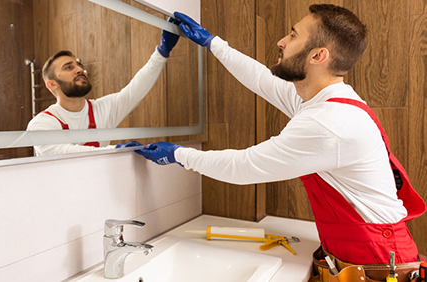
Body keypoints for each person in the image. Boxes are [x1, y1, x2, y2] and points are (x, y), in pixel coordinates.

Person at [134, 4, 427, 280]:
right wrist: (213, 43)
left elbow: (244, 167)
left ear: (317, 56)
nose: (282, 41)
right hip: (362, 256)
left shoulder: (328, 122)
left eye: (293, 35)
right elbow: (263, 80)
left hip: (377, 263)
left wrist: (179, 155)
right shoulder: (327, 100)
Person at [26, 18, 180, 156]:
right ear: (51, 84)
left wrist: (162, 51)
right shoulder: (41, 124)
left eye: (79, 65)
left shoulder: (101, 109)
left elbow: (137, 89)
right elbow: (65, 153)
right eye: (68, 67)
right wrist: (116, 150)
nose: (79, 69)